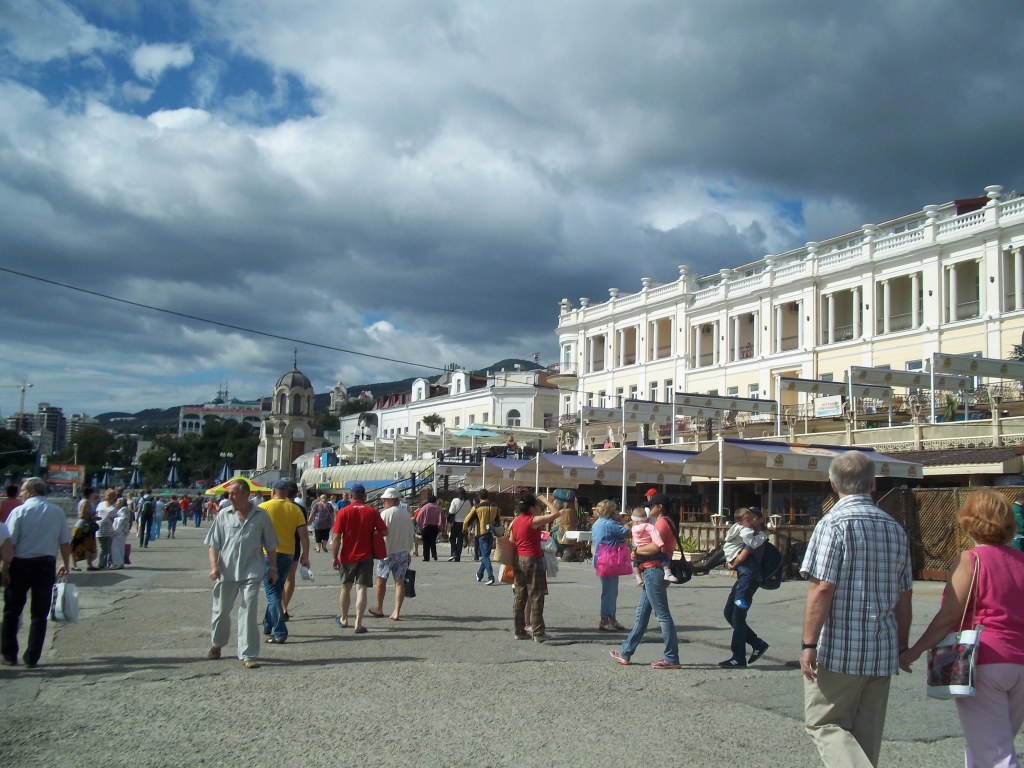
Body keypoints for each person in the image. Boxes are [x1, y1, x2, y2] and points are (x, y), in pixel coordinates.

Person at [800, 450, 912, 768]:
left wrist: (808, 643)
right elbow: (905, 595)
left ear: (833, 484)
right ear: (872, 483)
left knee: (824, 723)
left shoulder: (832, 524)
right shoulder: (894, 528)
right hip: (881, 647)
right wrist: (902, 645)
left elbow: (822, 587)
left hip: (840, 648)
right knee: (865, 736)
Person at [900, 490, 1024, 768]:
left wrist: (914, 651)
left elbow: (949, 615)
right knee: (987, 746)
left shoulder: (970, 560)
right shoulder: (1021, 561)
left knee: (995, 754)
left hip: (985, 662)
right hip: (1020, 663)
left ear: (969, 520)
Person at [204, 479, 279, 669]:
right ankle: (217, 644)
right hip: (227, 570)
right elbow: (213, 544)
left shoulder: (261, 515)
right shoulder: (223, 515)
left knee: (248, 611)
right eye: (229, 493)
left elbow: (271, 545)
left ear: (246, 494)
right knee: (221, 611)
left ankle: (248, 654)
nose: (229, 496)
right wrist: (214, 566)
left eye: (233, 493)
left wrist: (273, 568)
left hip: (252, 570)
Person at [1, 477, 71, 668]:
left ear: (31, 492)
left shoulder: (19, 511)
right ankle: (32, 656)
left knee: (12, 610)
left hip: (20, 564)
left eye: (23, 490)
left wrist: (5, 568)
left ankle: (9, 653)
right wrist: (66, 563)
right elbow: (65, 542)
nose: (21, 494)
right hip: (46, 564)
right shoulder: (57, 512)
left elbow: (10, 543)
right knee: (39, 613)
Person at [610, 492, 681, 669]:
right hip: (656, 570)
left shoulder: (662, 522)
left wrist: (636, 551)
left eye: (651, 505)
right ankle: (626, 651)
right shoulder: (669, 521)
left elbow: (656, 546)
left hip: (654, 570)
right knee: (642, 614)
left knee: (662, 615)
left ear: (660, 507)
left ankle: (671, 658)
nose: (649, 508)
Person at [259, 479, 310, 644]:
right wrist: (305, 555)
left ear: (273, 491)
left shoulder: (263, 507)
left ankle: (280, 631)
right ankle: (267, 624)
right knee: (277, 588)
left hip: (268, 554)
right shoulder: (295, 509)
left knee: (272, 593)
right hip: (288, 553)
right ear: (287, 492)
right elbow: (304, 535)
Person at [331, 484, 387, 634]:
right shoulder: (373, 512)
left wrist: (334, 556)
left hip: (347, 555)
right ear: (364, 496)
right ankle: (358, 623)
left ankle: (344, 619)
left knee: (346, 587)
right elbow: (384, 531)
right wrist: (373, 532)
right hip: (366, 555)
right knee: (362, 589)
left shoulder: (343, 512)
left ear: (350, 496)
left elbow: (336, 537)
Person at [719, 507, 770, 669]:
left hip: (749, 580)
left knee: (738, 616)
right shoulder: (746, 532)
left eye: (753, 518)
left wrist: (731, 563)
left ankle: (738, 657)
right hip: (743, 579)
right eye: (748, 518)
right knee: (729, 612)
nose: (750, 521)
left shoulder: (757, 537)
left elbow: (740, 558)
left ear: (760, 519)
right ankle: (757, 643)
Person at [510, 493, 561, 642]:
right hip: (533, 558)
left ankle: (519, 630)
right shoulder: (532, 520)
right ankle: (538, 631)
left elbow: (512, 541)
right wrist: (545, 500)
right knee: (536, 595)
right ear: (532, 507)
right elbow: (556, 514)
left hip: (519, 558)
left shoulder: (515, 521)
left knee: (520, 596)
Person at [370, 487, 415, 621]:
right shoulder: (406, 514)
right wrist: (409, 550)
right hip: (403, 552)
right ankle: (396, 611)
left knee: (381, 580)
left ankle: (379, 607)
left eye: (385, 499)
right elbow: (410, 534)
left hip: (387, 551)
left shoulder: (385, 514)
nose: (383, 501)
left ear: (391, 500)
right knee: (399, 582)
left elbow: (379, 532)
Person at [590, 498, 629, 632]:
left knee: (611, 591)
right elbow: (627, 532)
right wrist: (622, 520)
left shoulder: (597, 523)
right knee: (609, 591)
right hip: (609, 559)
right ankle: (605, 619)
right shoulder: (610, 524)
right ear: (611, 511)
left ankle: (611, 618)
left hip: (601, 558)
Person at [629, 507, 679, 586]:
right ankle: (668, 573)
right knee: (664, 557)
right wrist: (661, 544)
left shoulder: (633, 529)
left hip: (640, 554)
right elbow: (656, 537)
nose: (650, 507)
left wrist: (635, 550)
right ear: (645, 519)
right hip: (652, 561)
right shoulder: (649, 526)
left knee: (635, 563)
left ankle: (638, 578)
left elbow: (633, 541)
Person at [463, 489, 501, 585]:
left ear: (479, 497)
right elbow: (498, 520)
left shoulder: (477, 507)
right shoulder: (494, 506)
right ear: (487, 496)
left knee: (485, 556)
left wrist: (464, 530)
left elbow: (467, 521)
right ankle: (479, 574)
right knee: (486, 555)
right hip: (491, 533)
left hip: (481, 534)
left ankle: (491, 577)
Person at [71, 488, 99, 571]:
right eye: (93, 493)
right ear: (90, 494)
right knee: (77, 545)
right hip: (83, 527)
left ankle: (89, 565)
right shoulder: (86, 502)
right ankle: (76, 565)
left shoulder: (84, 501)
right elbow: (82, 515)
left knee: (87, 546)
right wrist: (93, 517)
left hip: (84, 526)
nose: (94, 494)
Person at [414, 493, 444, 562]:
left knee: (426, 542)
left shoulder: (425, 507)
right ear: (435, 500)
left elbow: (418, 517)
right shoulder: (438, 507)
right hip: (435, 527)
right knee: (433, 541)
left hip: (426, 526)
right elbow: (442, 517)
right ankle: (434, 554)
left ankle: (426, 557)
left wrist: (421, 526)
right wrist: (441, 526)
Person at [446, 487, 472, 562]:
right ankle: (458, 556)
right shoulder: (468, 502)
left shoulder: (455, 500)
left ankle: (453, 552)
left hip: (456, 522)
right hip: (464, 523)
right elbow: (469, 512)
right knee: (460, 539)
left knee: (452, 538)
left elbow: (451, 511)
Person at [95, 488, 118, 570]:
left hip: (109, 529)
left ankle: (109, 563)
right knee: (103, 548)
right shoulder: (100, 504)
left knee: (109, 548)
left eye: (110, 495)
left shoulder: (114, 507)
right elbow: (97, 514)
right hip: (99, 528)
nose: (108, 497)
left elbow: (115, 519)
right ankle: (101, 563)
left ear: (113, 497)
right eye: (107, 495)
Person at [110, 498, 130, 569]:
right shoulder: (124, 510)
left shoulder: (123, 510)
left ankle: (117, 563)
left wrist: (114, 519)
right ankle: (120, 562)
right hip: (122, 532)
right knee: (120, 547)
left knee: (116, 547)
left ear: (121, 503)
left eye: (117, 502)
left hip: (119, 532)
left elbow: (122, 520)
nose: (116, 503)